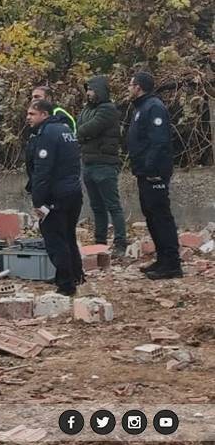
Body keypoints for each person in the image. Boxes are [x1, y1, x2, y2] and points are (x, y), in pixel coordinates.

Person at [24, 99, 85, 296]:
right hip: (73, 192)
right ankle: (77, 275)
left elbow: (43, 172)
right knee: (68, 235)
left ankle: (66, 283)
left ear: (44, 114)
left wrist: (38, 202)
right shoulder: (65, 130)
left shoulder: (47, 134)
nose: (28, 118)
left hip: (56, 196)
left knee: (55, 238)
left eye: (32, 114)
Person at [127, 71, 181, 280]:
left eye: (131, 84)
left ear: (138, 87)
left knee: (161, 216)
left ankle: (172, 263)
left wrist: (150, 169)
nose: (129, 88)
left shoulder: (154, 107)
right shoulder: (141, 108)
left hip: (154, 174)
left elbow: (158, 142)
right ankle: (162, 259)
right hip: (143, 172)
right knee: (151, 216)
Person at [76, 75, 126, 254]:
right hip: (88, 163)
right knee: (97, 207)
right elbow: (79, 127)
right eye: (87, 89)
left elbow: (88, 128)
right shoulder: (86, 110)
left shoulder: (108, 109)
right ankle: (100, 242)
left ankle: (120, 243)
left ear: (99, 90)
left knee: (113, 206)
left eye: (91, 89)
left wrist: (83, 134)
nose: (88, 93)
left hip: (105, 164)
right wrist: (83, 134)